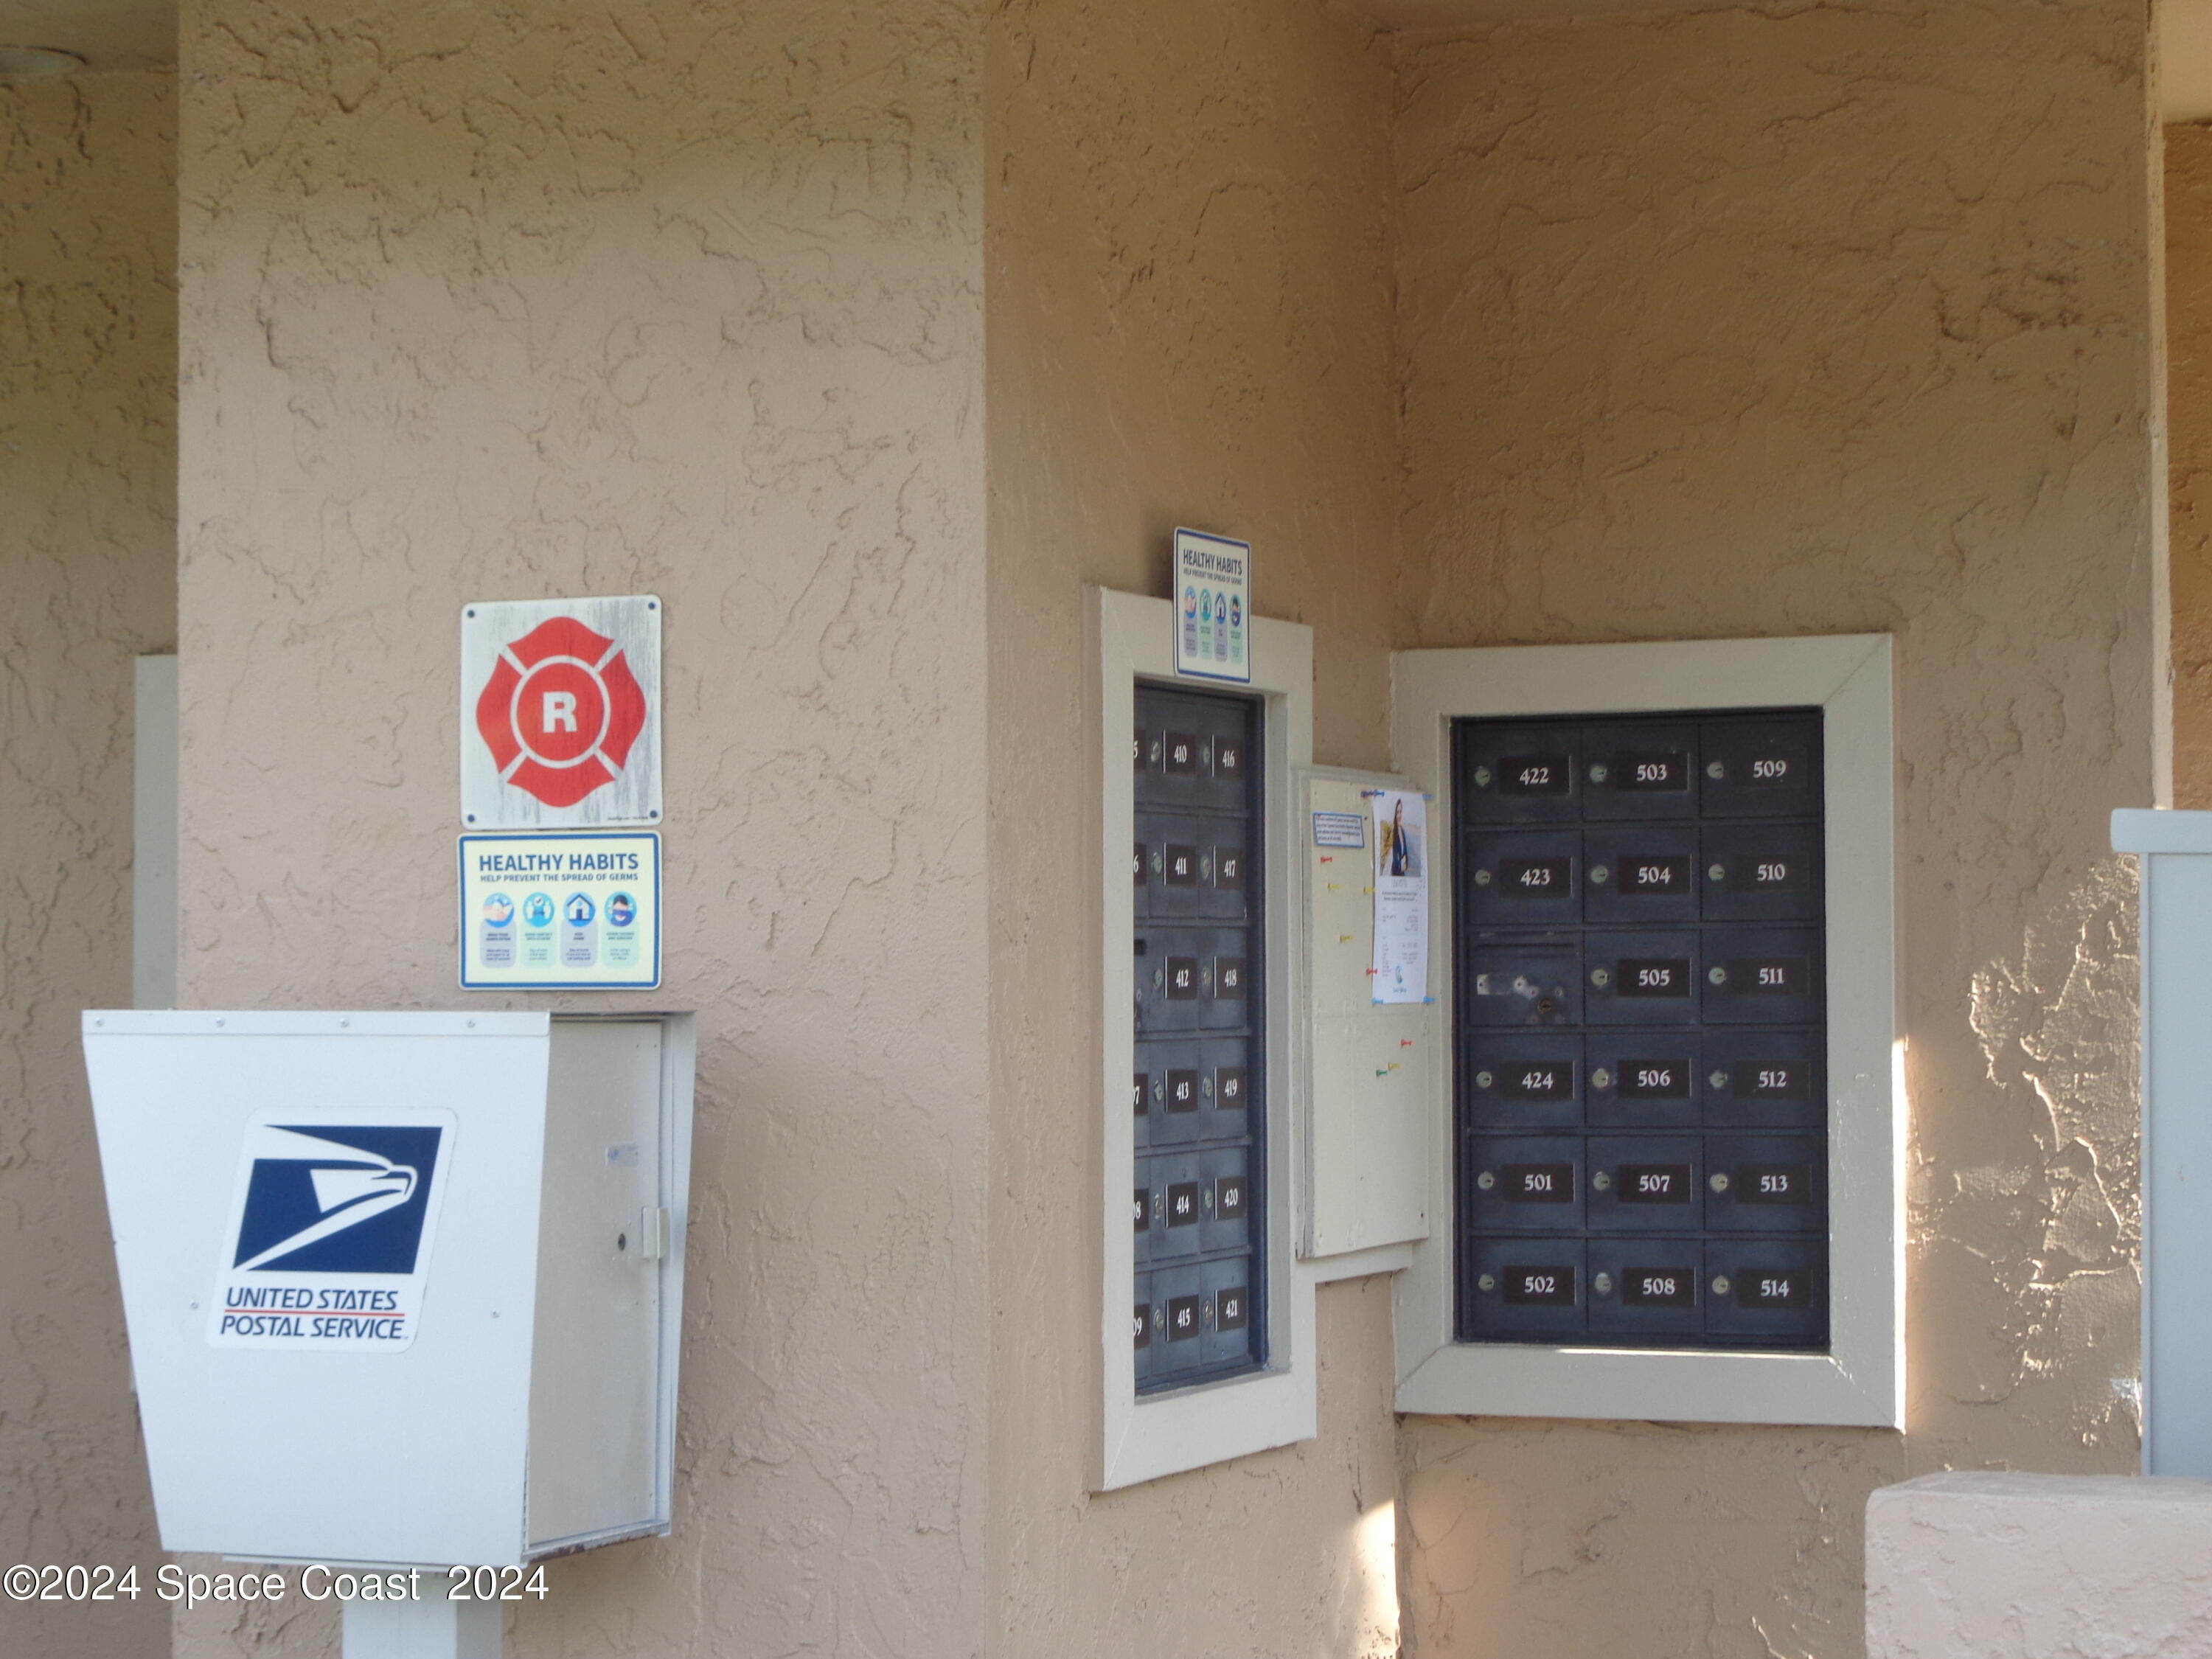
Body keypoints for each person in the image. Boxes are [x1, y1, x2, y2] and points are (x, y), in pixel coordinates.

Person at [1389, 798, 1410, 877]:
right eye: (1397, 812)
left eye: (1401, 812)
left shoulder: (1402, 831)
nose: (1399, 815)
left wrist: (1405, 864)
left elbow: (1405, 852)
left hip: (1402, 874)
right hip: (1395, 874)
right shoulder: (1393, 832)